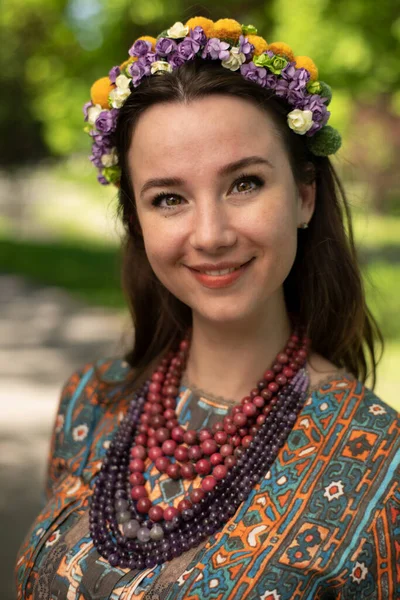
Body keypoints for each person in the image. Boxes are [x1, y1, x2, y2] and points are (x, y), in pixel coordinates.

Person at [15, 16, 399, 600]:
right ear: (137, 221)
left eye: (244, 183)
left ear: (304, 194)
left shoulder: (382, 466)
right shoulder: (88, 404)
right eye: (169, 198)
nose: (211, 234)